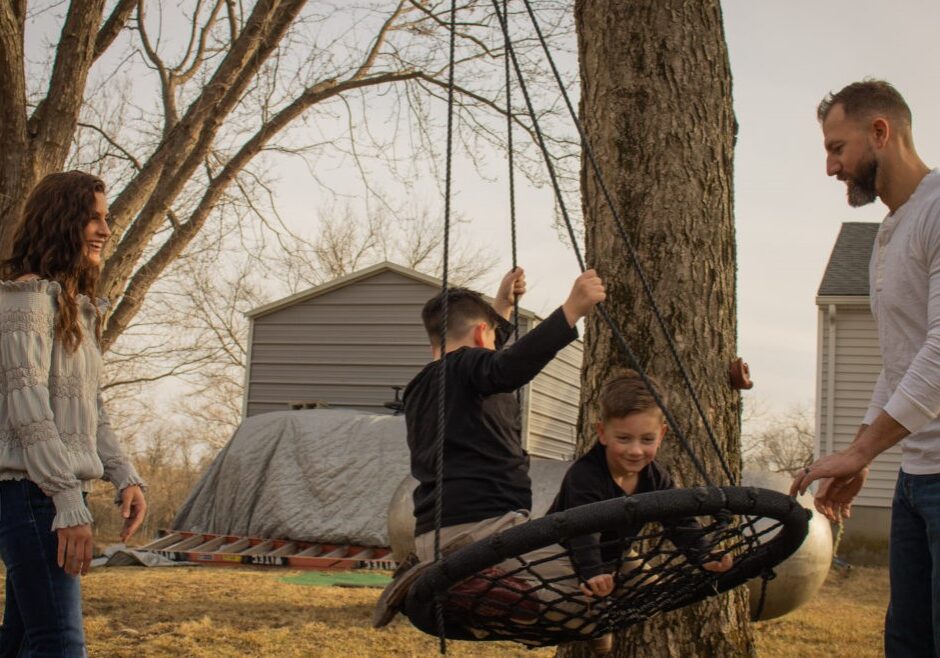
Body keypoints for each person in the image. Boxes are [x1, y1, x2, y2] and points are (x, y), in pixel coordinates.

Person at [791, 80, 940, 657]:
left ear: (881, 132)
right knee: (906, 642)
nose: (831, 166)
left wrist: (859, 451)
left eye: (837, 148)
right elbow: (900, 359)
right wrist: (863, 453)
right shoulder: (888, 234)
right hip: (915, 477)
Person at [373, 267, 605, 627]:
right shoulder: (468, 367)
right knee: (594, 583)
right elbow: (504, 366)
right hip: (484, 528)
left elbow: (487, 359)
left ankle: (454, 579)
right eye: (494, 334)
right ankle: (468, 590)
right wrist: (571, 310)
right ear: (483, 334)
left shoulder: (421, 388)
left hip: (435, 532)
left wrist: (501, 308)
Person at [0, 171, 147, 657]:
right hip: (31, 494)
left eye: (106, 218)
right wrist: (67, 500)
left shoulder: (72, 306)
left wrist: (124, 475)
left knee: (24, 645)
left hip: (50, 491)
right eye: (92, 217)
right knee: (61, 647)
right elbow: (28, 412)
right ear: (59, 220)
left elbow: (91, 407)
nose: (105, 230)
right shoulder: (25, 301)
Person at [538, 370, 732, 654]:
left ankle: (602, 613)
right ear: (602, 433)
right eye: (624, 438)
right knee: (579, 611)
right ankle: (595, 617)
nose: (636, 450)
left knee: (651, 592)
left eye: (647, 439)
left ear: (662, 435)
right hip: (562, 552)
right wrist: (591, 573)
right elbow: (582, 530)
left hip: (615, 554)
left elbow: (679, 521)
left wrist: (704, 555)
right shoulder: (585, 476)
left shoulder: (656, 478)